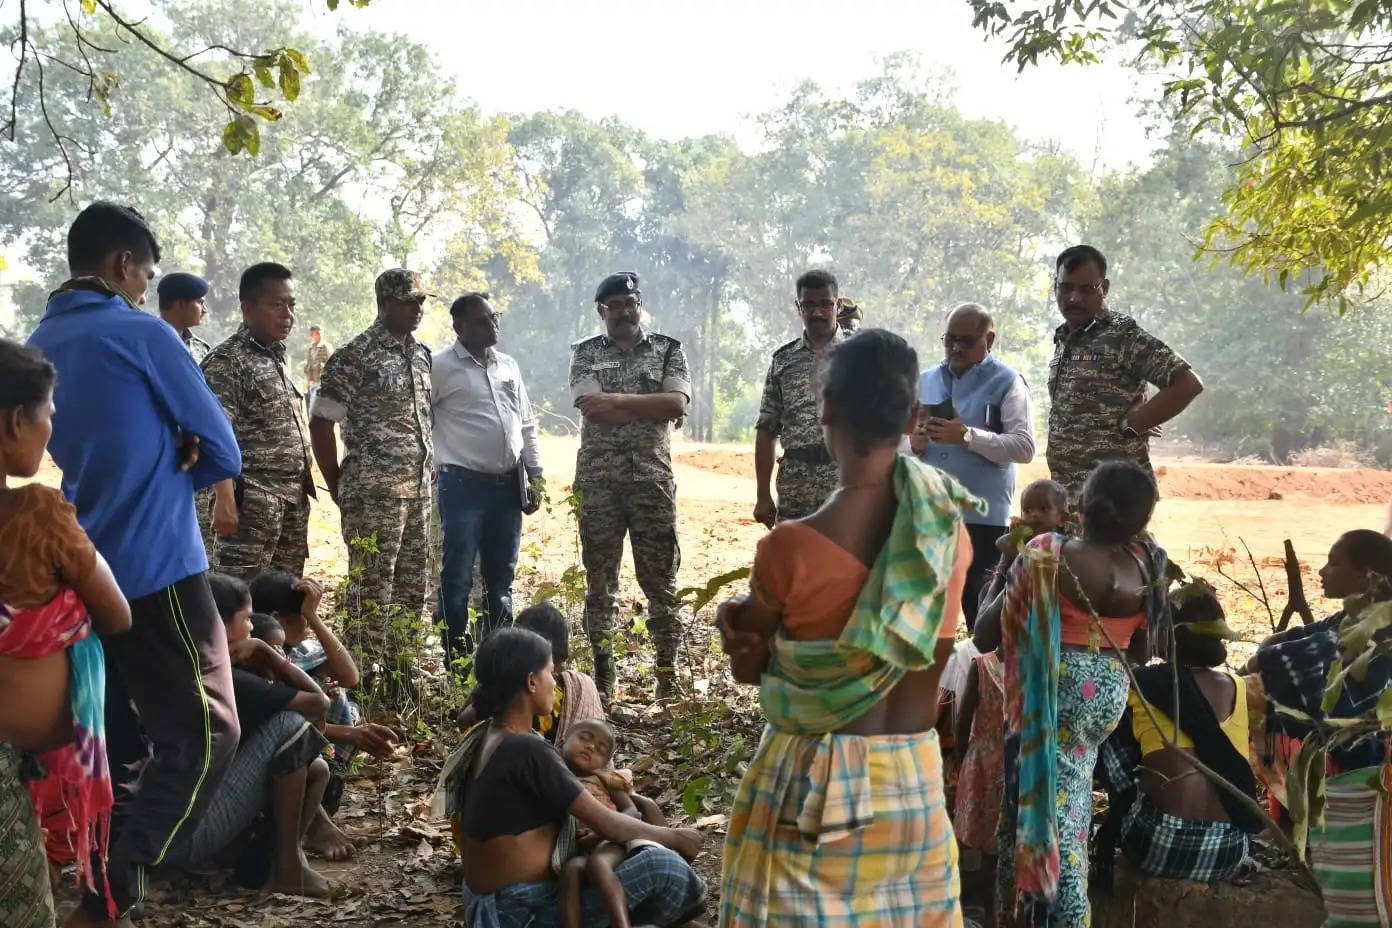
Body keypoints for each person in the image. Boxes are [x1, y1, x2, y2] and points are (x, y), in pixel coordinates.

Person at [27, 201, 243, 927]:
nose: (147, 287)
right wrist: (179, 462)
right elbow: (222, 449)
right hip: (160, 565)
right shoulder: (140, 331)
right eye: (147, 273)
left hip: (84, 566)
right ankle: (122, 876)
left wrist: (158, 450)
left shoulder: (42, 340)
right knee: (209, 732)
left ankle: (102, 896)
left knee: (118, 744)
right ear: (123, 266)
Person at [717, 329, 978, 926]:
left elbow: (747, 670)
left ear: (825, 408)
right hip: (912, 787)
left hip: (811, 792)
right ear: (914, 415)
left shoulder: (789, 549)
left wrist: (733, 621)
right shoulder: (948, 537)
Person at [974, 460, 1169, 927]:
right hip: (1105, 698)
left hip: (1050, 695)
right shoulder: (1147, 563)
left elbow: (984, 635)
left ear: (1079, 505)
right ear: (1141, 520)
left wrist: (1007, 559)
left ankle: (1055, 916)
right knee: (1071, 805)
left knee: (1044, 817)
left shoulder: (1044, 553)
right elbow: (1145, 648)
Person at [434, 626, 705, 927]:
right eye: (551, 672)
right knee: (664, 866)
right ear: (531, 681)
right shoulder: (527, 749)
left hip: (491, 905)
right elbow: (609, 824)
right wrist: (678, 838)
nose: (555, 682)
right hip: (521, 910)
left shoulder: (489, 734)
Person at [0, 339, 132, 928]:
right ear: (15, 421)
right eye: (50, 414)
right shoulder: (36, 515)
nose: (51, 430)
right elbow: (117, 612)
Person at [162, 574, 332, 898]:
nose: (252, 628)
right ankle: (287, 868)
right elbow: (317, 704)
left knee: (316, 768)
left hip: (153, 835)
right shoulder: (223, 676)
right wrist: (269, 656)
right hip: (183, 838)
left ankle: (250, 856)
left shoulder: (178, 660)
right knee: (290, 725)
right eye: (246, 621)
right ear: (219, 625)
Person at [310, 268, 434, 694]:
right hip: (374, 492)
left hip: (418, 491)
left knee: (412, 587)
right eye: (409, 300)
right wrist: (336, 484)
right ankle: (357, 684)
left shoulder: (421, 354)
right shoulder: (354, 356)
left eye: (421, 300)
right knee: (371, 592)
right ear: (384, 304)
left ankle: (400, 678)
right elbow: (321, 422)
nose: (418, 308)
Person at [569, 271, 691, 703]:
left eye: (631, 301)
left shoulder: (668, 350)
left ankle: (666, 678)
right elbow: (591, 409)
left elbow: (676, 403)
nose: (624, 310)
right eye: (615, 305)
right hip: (599, 485)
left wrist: (617, 400)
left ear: (640, 303)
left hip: (652, 484)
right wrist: (649, 406)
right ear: (602, 310)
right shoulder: (584, 353)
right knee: (600, 584)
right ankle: (604, 679)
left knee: (661, 583)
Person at [1093, 581, 1262, 888]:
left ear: (1165, 634)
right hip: (1227, 850)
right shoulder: (1237, 685)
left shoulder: (1140, 684)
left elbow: (1115, 765)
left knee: (1111, 721)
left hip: (1155, 844)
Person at [249, 569, 396, 860]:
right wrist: (351, 734)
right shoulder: (254, 661)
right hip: (274, 777)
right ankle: (316, 827)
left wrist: (314, 618)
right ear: (277, 618)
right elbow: (282, 727)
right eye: (303, 617)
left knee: (339, 694)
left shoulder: (300, 651)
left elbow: (350, 676)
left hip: (320, 772)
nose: (307, 625)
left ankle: (319, 820)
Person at [432, 292, 544, 661]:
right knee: (458, 576)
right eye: (482, 320)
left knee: (501, 579)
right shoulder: (440, 366)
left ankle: (497, 656)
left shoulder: (507, 365)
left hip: (507, 486)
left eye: (494, 317)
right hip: (462, 485)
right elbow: (422, 421)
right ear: (459, 327)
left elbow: (526, 424)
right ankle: (457, 656)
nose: (492, 325)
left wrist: (535, 475)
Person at [910, 303, 1036, 630]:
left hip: (983, 522)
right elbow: (891, 444)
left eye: (966, 341)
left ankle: (980, 678)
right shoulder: (923, 382)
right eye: (949, 339)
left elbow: (1024, 447)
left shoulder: (1009, 383)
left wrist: (968, 436)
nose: (955, 348)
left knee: (981, 617)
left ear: (989, 339)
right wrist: (913, 443)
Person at [1046, 245, 1204, 499]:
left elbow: (1187, 384)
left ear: (1104, 288)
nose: (1074, 298)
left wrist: (1136, 423)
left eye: (1086, 289)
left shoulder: (1121, 334)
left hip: (1114, 497)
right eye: (1066, 287)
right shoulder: (1065, 339)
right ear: (1055, 285)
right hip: (1070, 493)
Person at [201, 262, 315, 579]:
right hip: (250, 504)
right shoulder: (228, 361)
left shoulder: (276, 356)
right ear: (248, 308)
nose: (287, 315)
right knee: (240, 601)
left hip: (291, 501)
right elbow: (212, 432)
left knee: (285, 599)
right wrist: (223, 497)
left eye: (291, 305)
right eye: (276, 305)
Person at [753, 268, 847, 528]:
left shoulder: (863, 354)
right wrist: (762, 495)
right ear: (798, 307)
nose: (817, 312)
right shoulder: (783, 361)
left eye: (825, 304)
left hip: (847, 481)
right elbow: (766, 429)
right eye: (809, 305)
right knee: (796, 565)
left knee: (848, 564)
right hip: (796, 486)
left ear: (838, 305)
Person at [556, 719, 649, 928]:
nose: (591, 747)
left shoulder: (605, 780)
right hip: (579, 851)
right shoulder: (554, 778)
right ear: (562, 743)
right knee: (572, 870)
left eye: (600, 749)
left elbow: (631, 811)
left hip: (613, 842)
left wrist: (604, 833)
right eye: (585, 738)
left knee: (599, 863)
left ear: (605, 761)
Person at [953, 648, 1005, 922]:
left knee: (974, 842)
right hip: (1010, 767)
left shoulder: (982, 667)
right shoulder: (1033, 670)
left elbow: (961, 724)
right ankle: (992, 912)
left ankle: (973, 907)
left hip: (981, 765)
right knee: (997, 844)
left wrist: (964, 763)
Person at [978, 479, 1069, 612]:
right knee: (986, 589)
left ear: (1062, 518)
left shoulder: (1064, 543)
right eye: (1027, 510)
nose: (1034, 514)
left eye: (1044, 509)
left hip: (1047, 595)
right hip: (1017, 587)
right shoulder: (1026, 536)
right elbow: (1001, 542)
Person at [156, 272, 212, 363]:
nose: (204, 310)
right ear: (180, 304)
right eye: (200, 302)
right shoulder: (146, 341)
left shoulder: (201, 348)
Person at [304, 324, 331, 416]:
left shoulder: (326, 347)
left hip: (322, 384)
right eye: (311, 334)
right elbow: (308, 365)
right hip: (312, 384)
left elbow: (331, 365)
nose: (311, 336)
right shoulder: (310, 348)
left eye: (313, 334)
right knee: (311, 412)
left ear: (319, 333)